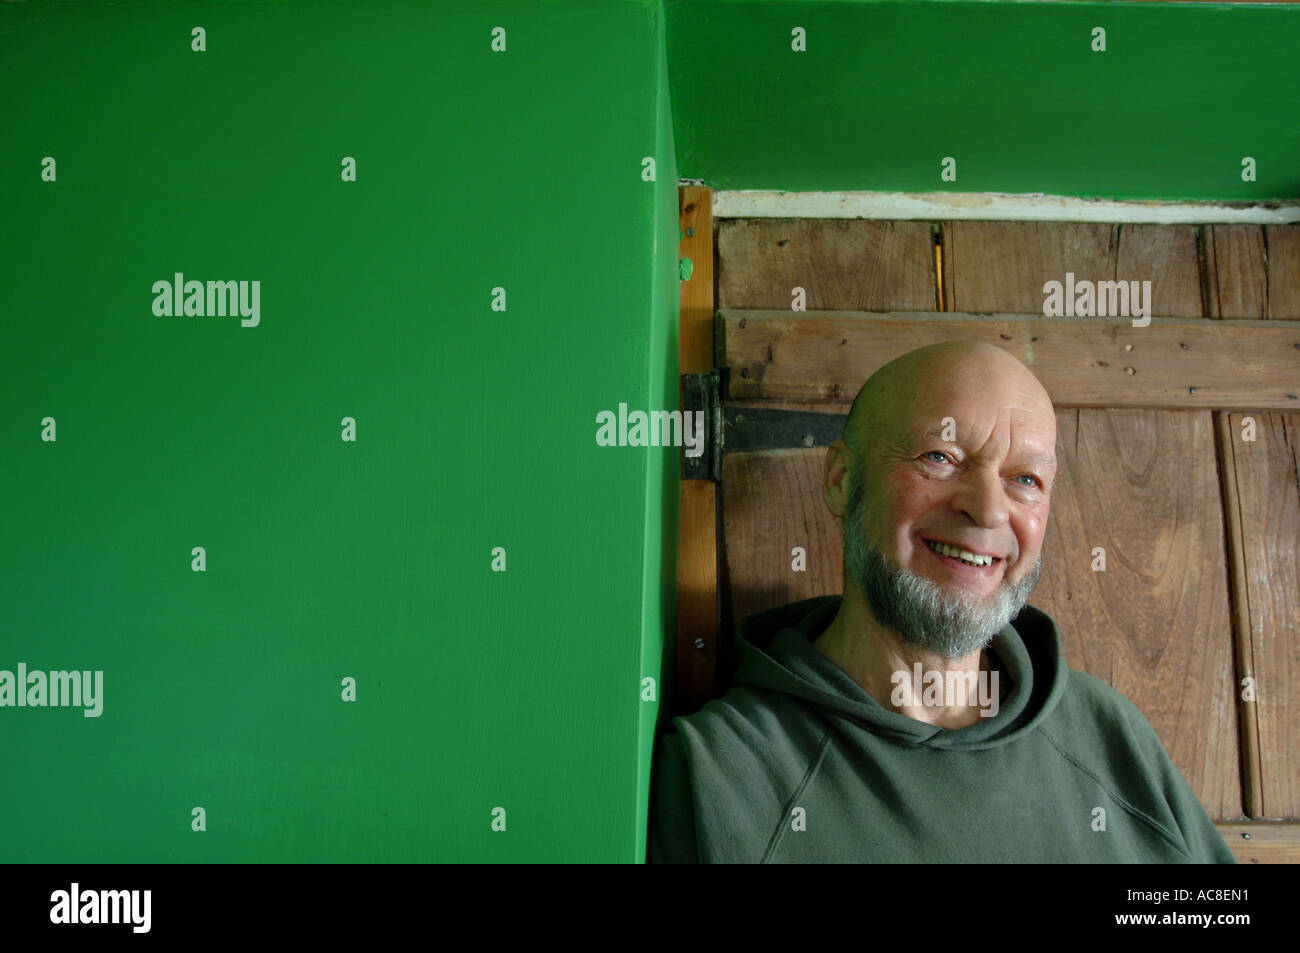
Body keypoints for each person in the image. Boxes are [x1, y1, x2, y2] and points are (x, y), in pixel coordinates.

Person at [647, 340, 1235, 863]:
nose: (988, 509)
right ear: (841, 480)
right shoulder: (716, 779)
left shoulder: (1113, 736)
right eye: (941, 457)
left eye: (1025, 479)